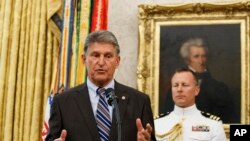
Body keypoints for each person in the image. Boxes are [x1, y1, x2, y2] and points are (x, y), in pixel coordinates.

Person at [45, 30, 155, 141]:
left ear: (117, 61)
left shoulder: (140, 101)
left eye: (108, 56)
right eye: (95, 55)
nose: (101, 62)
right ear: (84, 60)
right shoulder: (62, 102)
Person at [165, 38, 236, 123]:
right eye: (196, 56)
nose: (201, 61)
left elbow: (228, 118)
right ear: (187, 60)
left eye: (204, 56)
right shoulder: (175, 90)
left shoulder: (221, 88)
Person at [155, 68, 227, 141]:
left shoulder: (213, 124)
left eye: (184, 85)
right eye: (176, 85)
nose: (179, 89)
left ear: (196, 90)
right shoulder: (156, 123)